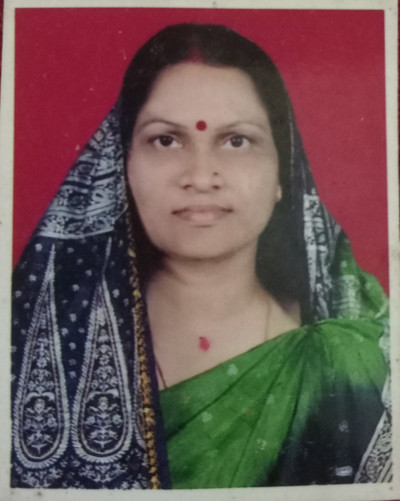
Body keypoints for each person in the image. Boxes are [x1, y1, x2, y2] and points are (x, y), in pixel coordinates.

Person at [11, 23, 391, 489]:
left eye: (237, 141)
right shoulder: (40, 356)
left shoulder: (359, 363)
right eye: (166, 140)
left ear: (282, 173)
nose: (201, 175)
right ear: (121, 166)